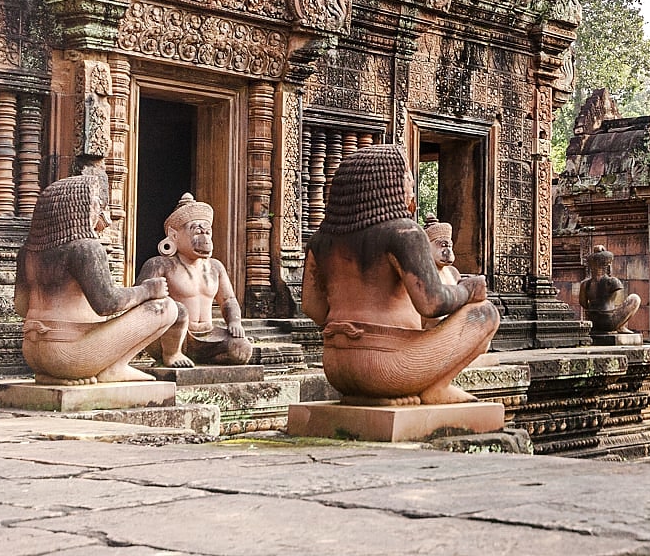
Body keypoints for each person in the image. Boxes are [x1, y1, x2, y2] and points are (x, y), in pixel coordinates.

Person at [301, 145, 499, 405]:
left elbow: (312, 308)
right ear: (388, 184)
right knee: (485, 313)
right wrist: (468, 289)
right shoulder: (404, 233)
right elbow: (432, 303)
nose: (411, 186)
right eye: (407, 178)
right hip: (388, 366)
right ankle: (436, 388)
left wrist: (350, 329)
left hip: (336, 367)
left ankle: (373, 396)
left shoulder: (320, 240)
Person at [15, 171, 178, 385]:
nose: (106, 219)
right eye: (100, 207)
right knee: (166, 308)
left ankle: (53, 375)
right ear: (83, 209)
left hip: (34, 353)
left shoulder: (27, 252)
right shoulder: (85, 248)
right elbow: (107, 304)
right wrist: (147, 290)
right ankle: (115, 368)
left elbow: (21, 306)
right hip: (70, 354)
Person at [137, 194, 252, 367]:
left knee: (242, 349)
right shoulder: (160, 264)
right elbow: (140, 302)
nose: (205, 239)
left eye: (207, 232)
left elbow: (228, 299)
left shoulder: (215, 267)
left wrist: (234, 322)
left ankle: (199, 358)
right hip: (170, 335)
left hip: (207, 334)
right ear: (174, 235)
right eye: (197, 232)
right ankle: (171, 355)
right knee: (178, 310)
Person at [579, 245, 640, 334]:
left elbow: (583, 303)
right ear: (608, 266)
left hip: (592, 322)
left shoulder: (584, 284)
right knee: (635, 298)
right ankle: (621, 326)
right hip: (609, 322)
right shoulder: (612, 282)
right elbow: (615, 303)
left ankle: (620, 326)